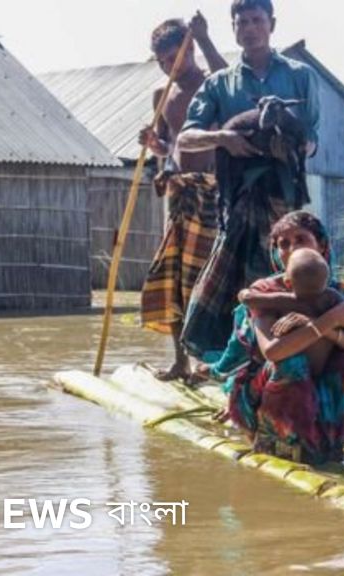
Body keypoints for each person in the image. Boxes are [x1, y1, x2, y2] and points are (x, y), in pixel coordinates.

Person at [176, 0, 321, 359]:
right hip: (237, 196)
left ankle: (296, 354)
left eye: (257, 20)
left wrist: (287, 146)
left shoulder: (300, 75)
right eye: (242, 22)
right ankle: (235, 361)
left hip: (284, 197)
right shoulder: (219, 83)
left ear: (271, 24)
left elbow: (313, 139)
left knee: (289, 272)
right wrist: (223, 138)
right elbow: (185, 138)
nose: (250, 28)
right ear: (234, 28)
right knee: (231, 280)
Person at [224, 211, 344, 464]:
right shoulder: (266, 292)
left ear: (321, 245)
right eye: (283, 243)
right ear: (275, 251)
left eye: (300, 240)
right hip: (271, 389)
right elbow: (273, 352)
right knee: (292, 363)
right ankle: (277, 440)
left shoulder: (341, 295)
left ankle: (329, 442)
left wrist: (322, 326)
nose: (292, 249)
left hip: (324, 386)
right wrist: (327, 321)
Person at [138, 13, 228, 381]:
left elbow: (230, 79)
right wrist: (153, 145)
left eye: (173, 57)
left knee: (207, 278)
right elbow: (167, 146)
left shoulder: (214, 84)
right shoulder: (162, 95)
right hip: (178, 193)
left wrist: (205, 39)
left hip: (213, 190)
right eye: (160, 60)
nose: (167, 66)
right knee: (173, 277)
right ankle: (181, 361)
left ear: (189, 50)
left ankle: (211, 362)